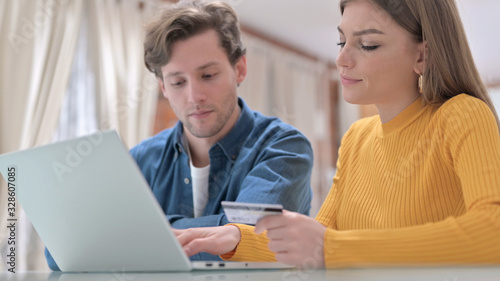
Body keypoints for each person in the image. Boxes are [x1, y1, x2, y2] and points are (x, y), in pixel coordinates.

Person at [175, 0, 500, 268]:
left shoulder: (462, 115)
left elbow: (493, 232)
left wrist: (333, 247)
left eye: (368, 44)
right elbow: (319, 240)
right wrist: (238, 239)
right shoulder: (357, 137)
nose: (342, 59)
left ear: (422, 56)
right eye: (341, 41)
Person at [45, 0, 313, 270]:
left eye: (208, 75)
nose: (194, 97)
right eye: (177, 82)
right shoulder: (141, 159)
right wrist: (218, 229)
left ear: (240, 69)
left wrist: (130, 234)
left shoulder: (283, 147)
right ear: (162, 86)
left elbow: (250, 236)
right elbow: (61, 251)